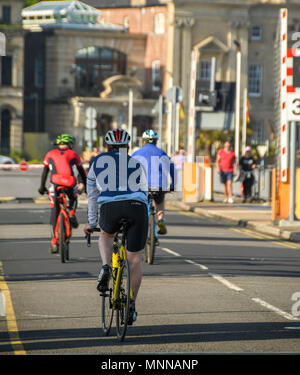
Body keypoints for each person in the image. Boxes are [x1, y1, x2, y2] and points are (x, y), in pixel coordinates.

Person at [84, 128, 148, 325]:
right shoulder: (136, 163)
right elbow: (145, 193)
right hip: (137, 206)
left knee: (105, 235)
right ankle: (131, 306)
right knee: (135, 259)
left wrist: (92, 222)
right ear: (128, 147)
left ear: (107, 146)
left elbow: (92, 194)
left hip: (110, 206)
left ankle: (105, 266)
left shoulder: (96, 161)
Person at [38, 134, 87, 253]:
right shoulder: (74, 154)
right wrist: (85, 186)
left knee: (54, 213)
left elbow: (45, 172)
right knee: (73, 197)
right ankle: (71, 212)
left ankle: (54, 242)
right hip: (70, 183)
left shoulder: (50, 154)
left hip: (55, 184)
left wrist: (41, 187)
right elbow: (81, 172)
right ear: (70, 144)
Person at [132, 129, 175, 235]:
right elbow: (172, 167)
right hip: (159, 185)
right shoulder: (161, 153)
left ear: (144, 141)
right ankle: (160, 220)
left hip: (142, 186)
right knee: (159, 202)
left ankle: (138, 223)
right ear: (156, 141)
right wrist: (173, 184)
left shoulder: (137, 153)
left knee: (139, 204)